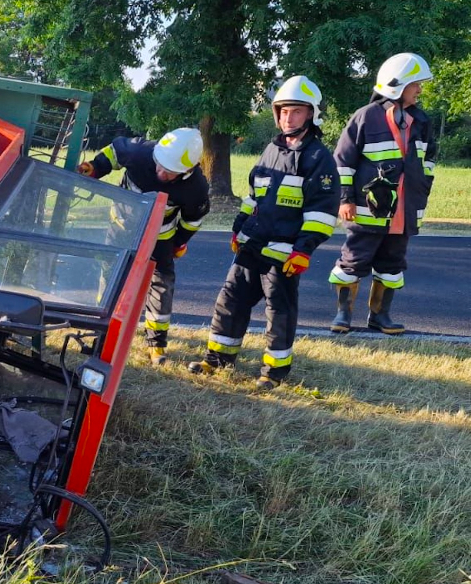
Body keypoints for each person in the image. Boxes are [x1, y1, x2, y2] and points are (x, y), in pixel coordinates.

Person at [187, 76, 339, 390]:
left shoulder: (318, 159)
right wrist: (238, 228)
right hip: (252, 244)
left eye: (296, 111)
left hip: (284, 253)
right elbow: (253, 195)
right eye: (283, 111)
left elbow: (322, 214)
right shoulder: (272, 149)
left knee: (278, 311)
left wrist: (303, 250)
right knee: (230, 300)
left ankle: (274, 373)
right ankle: (218, 359)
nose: (288, 118)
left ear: (310, 113)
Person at [78, 128, 211, 366]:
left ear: (188, 170)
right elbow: (114, 152)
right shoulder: (141, 152)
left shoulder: (196, 188)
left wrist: (179, 243)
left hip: (160, 238)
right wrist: (95, 167)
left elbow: (192, 220)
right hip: (121, 229)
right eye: (159, 165)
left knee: (161, 284)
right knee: (110, 278)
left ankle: (156, 344)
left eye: (169, 172)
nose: (161, 172)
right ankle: (102, 331)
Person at [328, 52, 439, 334]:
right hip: (367, 210)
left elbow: (428, 162)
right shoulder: (365, 117)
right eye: (416, 84)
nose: (419, 90)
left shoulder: (422, 121)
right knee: (353, 260)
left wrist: (420, 193)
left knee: (392, 265)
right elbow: (342, 162)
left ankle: (380, 316)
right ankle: (343, 315)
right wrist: (345, 199)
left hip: (403, 210)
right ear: (398, 85)